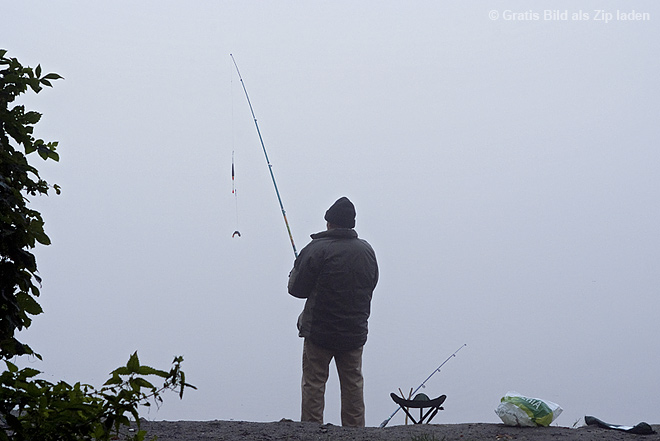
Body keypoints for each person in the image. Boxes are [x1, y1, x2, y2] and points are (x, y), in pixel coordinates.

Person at [288, 196, 378, 427]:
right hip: (354, 333)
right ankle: (355, 432)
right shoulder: (367, 251)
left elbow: (296, 290)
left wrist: (294, 271)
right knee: (353, 384)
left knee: (314, 384)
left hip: (319, 332)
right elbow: (371, 282)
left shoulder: (316, 249)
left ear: (329, 223)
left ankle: (311, 430)